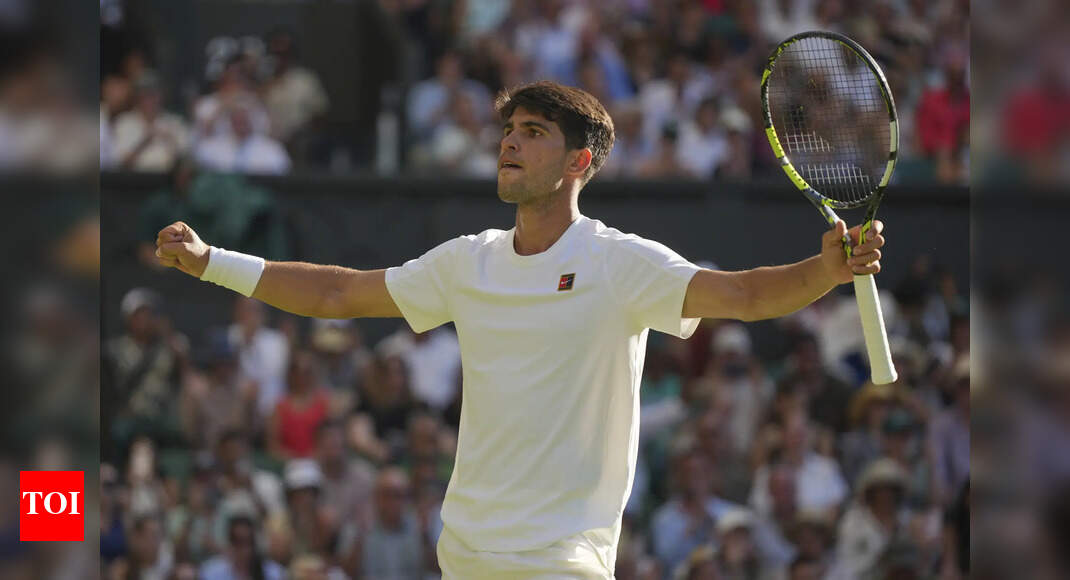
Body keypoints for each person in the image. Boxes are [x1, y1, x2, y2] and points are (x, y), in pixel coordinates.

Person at [154, 80, 888, 578]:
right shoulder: (467, 262)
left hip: (560, 561)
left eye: (532, 132)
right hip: (466, 554)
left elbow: (747, 296)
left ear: (580, 160)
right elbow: (340, 293)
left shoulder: (619, 264)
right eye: (508, 130)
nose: (509, 142)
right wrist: (213, 262)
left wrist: (824, 271)